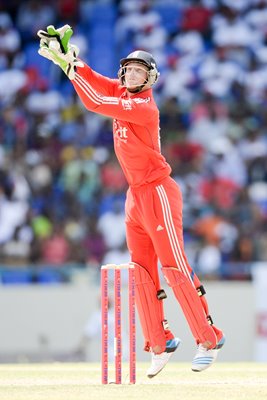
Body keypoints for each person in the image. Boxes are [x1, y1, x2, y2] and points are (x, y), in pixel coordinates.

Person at [37, 25, 225, 377]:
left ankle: (209, 338)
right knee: (140, 271)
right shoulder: (122, 91)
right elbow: (96, 82)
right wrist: (71, 60)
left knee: (174, 267)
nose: (132, 73)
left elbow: (94, 100)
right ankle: (160, 342)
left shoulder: (143, 107)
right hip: (135, 195)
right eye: (129, 69)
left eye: (140, 70)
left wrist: (69, 68)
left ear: (149, 79)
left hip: (157, 190)